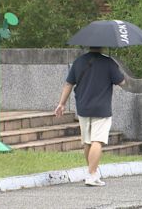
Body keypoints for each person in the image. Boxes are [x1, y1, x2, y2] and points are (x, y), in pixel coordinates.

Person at [54, 47, 125, 186]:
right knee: (97, 141)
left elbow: (69, 83)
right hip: (102, 109)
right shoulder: (108, 62)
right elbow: (121, 82)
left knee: (87, 142)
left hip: (83, 107)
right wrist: (114, 68)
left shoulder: (78, 62)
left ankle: (92, 173)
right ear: (102, 46)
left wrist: (61, 104)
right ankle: (92, 175)